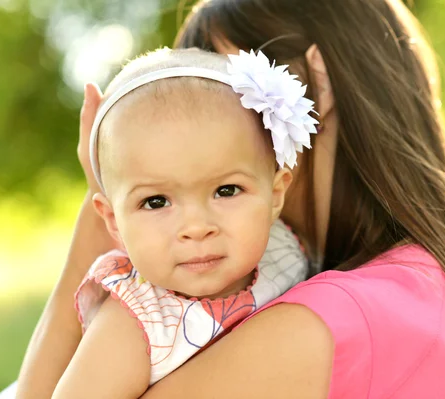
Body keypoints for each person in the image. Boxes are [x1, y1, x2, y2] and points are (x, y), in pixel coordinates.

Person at [10, 0, 445, 398]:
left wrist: (106, 215)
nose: (191, 140)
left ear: (320, 92)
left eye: (231, 98)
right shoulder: (419, 283)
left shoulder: (325, 320)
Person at [50, 47, 311, 398]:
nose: (196, 227)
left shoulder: (284, 250)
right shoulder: (137, 324)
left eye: (226, 190)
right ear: (113, 220)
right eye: (156, 202)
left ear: (275, 194)